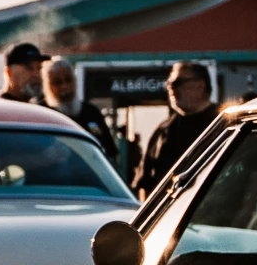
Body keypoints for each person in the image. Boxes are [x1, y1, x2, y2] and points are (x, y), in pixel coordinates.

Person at [135, 61, 220, 198]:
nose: (171, 89)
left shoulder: (224, 124)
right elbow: (146, 182)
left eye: (177, 83)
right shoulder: (163, 130)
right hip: (168, 214)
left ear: (200, 85)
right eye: (168, 84)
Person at [44, 59, 118, 163]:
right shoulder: (42, 113)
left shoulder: (91, 113)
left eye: (68, 80)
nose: (64, 87)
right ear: (48, 86)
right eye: (57, 82)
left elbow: (109, 151)